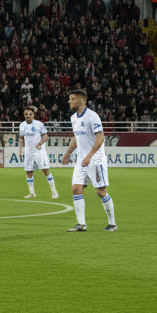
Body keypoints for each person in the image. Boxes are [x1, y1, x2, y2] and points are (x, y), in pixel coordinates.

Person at [62, 89, 116, 231]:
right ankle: (81, 224)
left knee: (101, 192)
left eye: (72, 99)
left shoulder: (92, 116)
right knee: (76, 189)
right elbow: (76, 138)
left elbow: (100, 138)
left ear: (82, 100)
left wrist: (89, 156)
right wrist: (67, 153)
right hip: (82, 160)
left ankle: (112, 223)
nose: (69, 101)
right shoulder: (74, 118)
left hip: (95, 160)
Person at [18, 105, 57, 199]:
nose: (28, 116)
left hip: (39, 152)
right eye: (26, 114)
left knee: (45, 170)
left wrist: (40, 144)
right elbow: (21, 138)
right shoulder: (22, 125)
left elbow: (46, 136)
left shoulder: (39, 124)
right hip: (28, 152)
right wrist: (20, 150)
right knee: (28, 172)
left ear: (33, 115)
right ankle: (32, 193)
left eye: (30, 114)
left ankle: (54, 192)